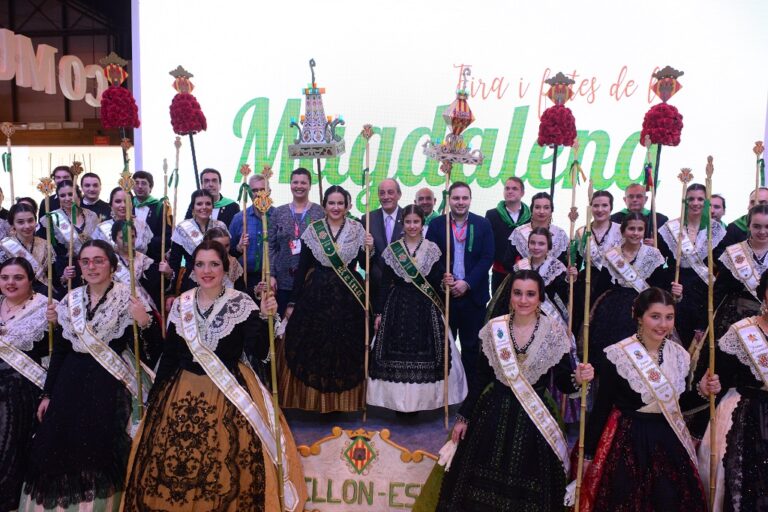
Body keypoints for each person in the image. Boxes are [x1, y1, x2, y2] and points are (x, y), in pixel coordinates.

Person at [122, 240, 307, 510]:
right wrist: (157, 392)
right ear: (192, 269)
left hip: (229, 392)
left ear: (226, 268)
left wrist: (267, 319)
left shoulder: (241, 303)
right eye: (199, 264)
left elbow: (258, 352)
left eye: (214, 264)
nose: (206, 271)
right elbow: (171, 354)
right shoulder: (181, 304)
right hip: (181, 391)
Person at [432, 270, 593, 510]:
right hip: (493, 410)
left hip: (535, 417)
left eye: (530, 294)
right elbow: (480, 378)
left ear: (540, 298)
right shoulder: (494, 330)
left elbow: (561, 381)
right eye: (518, 293)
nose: (523, 300)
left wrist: (578, 379)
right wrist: (464, 417)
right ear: (510, 296)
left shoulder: (553, 333)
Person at [19, 240, 159, 511]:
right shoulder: (70, 299)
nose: (92, 266)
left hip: (109, 382)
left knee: (100, 448)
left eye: (99, 260)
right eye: (86, 261)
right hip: (70, 381)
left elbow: (152, 349)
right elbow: (60, 350)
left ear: (112, 265)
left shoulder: (128, 298)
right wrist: (47, 393)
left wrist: (145, 322)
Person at [580, 287, 717, 511]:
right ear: (638, 316)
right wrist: (588, 456)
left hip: (668, 439)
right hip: (628, 440)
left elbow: (678, 405)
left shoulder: (680, 355)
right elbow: (602, 407)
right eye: (655, 317)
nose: (663, 324)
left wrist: (702, 391)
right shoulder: (618, 355)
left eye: (669, 317)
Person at [279, 185, 374, 412]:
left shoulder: (358, 229)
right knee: (315, 344)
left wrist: (369, 249)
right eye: (332, 203)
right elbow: (302, 268)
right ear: (324, 206)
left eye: (341, 203)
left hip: (348, 297)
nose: (336, 207)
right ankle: (316, 404)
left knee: (345, 345)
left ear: (348, 206)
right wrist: (292, 301)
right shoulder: (314, 230)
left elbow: (363, 262)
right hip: (317, 293)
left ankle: (344, 404)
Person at [367, 204, 467, 413]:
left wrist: (445, 282)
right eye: (408, 221)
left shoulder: (433, 249)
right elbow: (385, 284)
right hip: (397, 307)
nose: (412, 226)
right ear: (403, 223)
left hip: (425, 308)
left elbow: (437, 282)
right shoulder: (392, 250)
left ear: (423, 224)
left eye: (416, 222)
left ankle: (425, 402)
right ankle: (395, 403)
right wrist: (379, 312)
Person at [698, 270, 768, 511]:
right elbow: (721, 378)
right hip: (745, 413)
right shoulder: (741, 332)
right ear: (764, 295)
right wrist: (710, 385)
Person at [587, 213, 682, 370]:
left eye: (640, 229)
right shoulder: (611, 255)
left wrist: (676, 294)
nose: (636, 233)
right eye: (631, 228)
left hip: (643, 309)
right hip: (611, 311)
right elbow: (601, 287)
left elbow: (660, 288)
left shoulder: (654, 255)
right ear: (623, 231)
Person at [427, 181, 494, 389]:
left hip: (473, 296)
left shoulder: (482, 224)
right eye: (456, 198)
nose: (460, 202)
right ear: (449, 200)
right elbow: (430, 256)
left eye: (465, 198)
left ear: (470, 200)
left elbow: (487, 257)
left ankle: (469, 394)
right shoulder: (438, 224)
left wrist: (467, 283)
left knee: (471, 346)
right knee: (443, 346)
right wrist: (442, 277)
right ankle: (445, 392)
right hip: (444, 295)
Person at [0, 258, 53, 511]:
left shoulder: (45, 309)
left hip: (21, 391)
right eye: (5, 277)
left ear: (31, 280)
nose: (10, 283)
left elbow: (53, 356)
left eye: (18, 278)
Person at [659, 183, 726, 347]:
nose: (695, 203)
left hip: (703, 291)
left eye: (700, 199)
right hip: (676, 287)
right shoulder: (670, 228)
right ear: (685, 201)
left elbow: (721, 264)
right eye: (691, 199)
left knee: (697, 346)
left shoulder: (716, 230)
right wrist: (670, 286)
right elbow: (660, 261)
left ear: (706, 202)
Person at [268, 167, 325, 315]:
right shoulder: (278, 213)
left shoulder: (320, 212)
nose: (299, 186)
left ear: (310, 185)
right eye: (295, 182)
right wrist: (272, 275)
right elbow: (271, 247)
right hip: (282, 282)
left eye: (303, 183)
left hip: (310, 280)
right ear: (290, 185)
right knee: (281, 327)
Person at [110, 220, 173, 326]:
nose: (128, 241)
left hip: (144, 311)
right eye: (122, 237)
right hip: (118, 312)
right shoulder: (108, 262)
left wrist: (167, 274)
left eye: (132, 236)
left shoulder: (144, 261)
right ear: (114, 239)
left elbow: (158, 286)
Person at [168, 189, 229, 298]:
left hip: (218, 279)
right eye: (199, 204)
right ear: (193, 207)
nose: (204, 207)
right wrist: (171, 292)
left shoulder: (221, 226)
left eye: (208, 203)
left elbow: (227, 256)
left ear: (212, 206)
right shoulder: (182, 228)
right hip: (191, 281)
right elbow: (175, 260)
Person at [49, 180, 100, 294]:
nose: (67, 198)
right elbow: (51, 252)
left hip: (91, 266)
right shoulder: (53, 218)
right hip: (68, 271)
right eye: (62, 195)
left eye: (70, 194)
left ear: (79, 194)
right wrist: (63, 274)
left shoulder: (92, 216)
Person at [229, 173, 274, 299]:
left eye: (262, 190)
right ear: (249, 192)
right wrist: (238, 248)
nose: (258, 193)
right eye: (254, 190)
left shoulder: (277, 216)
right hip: (245, 278)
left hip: (271, 278)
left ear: (269, 191)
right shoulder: (239, 218)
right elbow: (228, 252)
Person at [486, 176, 531, 293]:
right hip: (500, 272)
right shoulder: (492, 215)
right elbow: (488, 244)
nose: (510, 191)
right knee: (499, 308)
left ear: (522, 193)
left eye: (514, 188)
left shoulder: (530, 216)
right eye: (507, 188)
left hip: (525, 272)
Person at [0, 202, 52, 296]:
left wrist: (65, 275)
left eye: (30, 220)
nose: (27, 226)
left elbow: (53, 277)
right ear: (12, 225)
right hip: (13, 295)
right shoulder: (4, 247)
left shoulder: (45, 245)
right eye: (20, 222)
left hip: (42, 297)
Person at [505, 191, 569, 266]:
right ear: (531, 209)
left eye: (546, 207)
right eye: (537, 207)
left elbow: (564, 265)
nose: (541, 211)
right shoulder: (519, 233)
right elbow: (508, 263)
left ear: (551, 210)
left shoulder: (560, 234)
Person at [362, 178, 403, 284]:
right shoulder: (367, 219)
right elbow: (362, 261)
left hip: (402, 285)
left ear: (399, 194)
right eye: (382, 193)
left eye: (390, 192)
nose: (386, 197)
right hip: (376, 285)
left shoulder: (408, 219)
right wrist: (369, 250)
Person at [92, 187, 154, 254]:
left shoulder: (142, 225)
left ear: (132, 204)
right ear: (111, 205)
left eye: (126, 201)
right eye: (118, 201)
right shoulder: (101, 229)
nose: (123, 205)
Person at [133, 170, 171, 261]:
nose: (140, 186)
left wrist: (148, 243)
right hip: (129, 257)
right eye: (136, 183)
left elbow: (167, 235)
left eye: (144, 183)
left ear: (150, 187)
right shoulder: (127, 204)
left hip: (151, 258)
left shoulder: (160, 207)